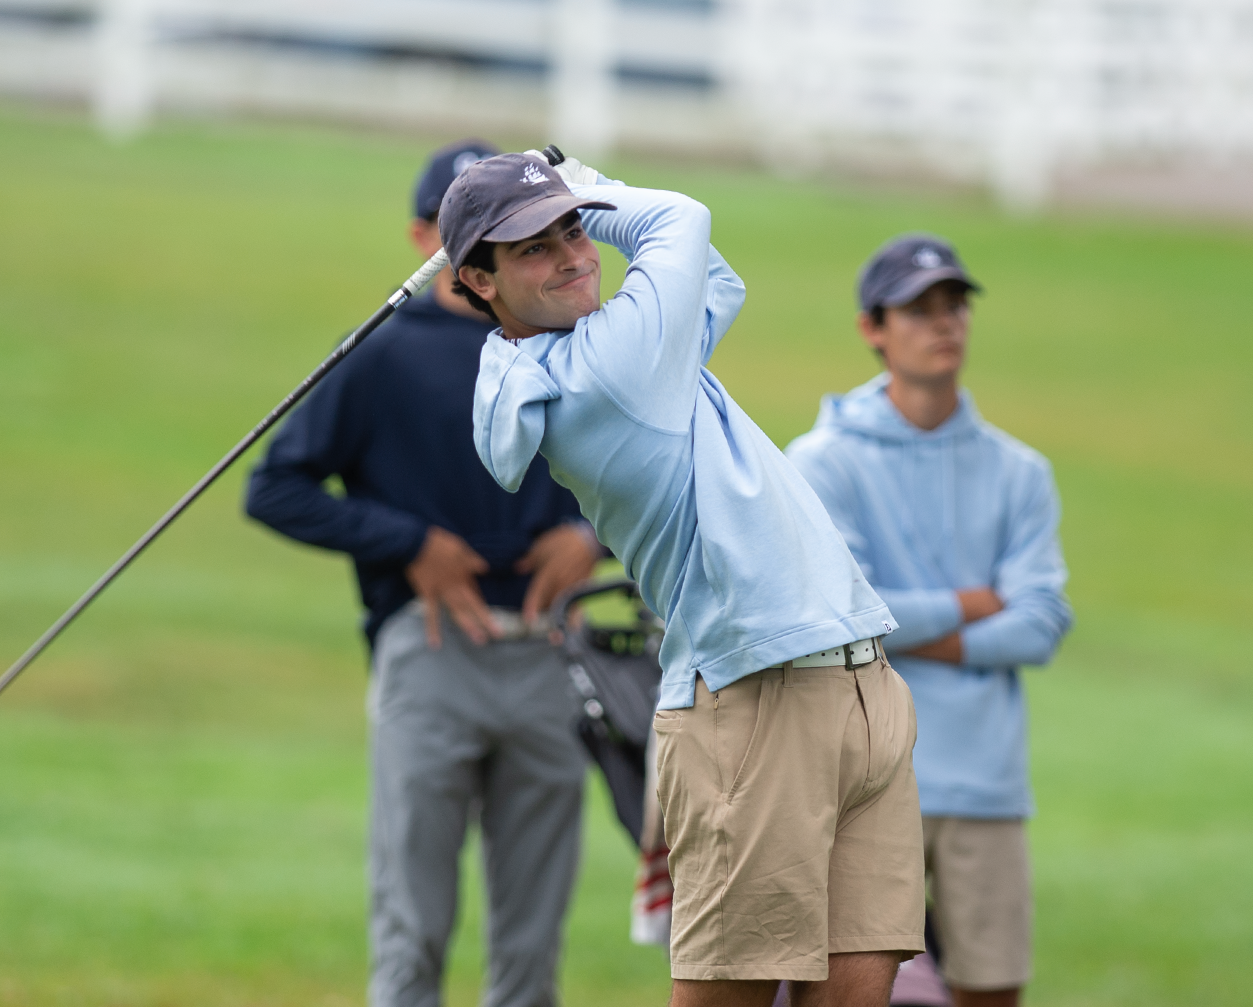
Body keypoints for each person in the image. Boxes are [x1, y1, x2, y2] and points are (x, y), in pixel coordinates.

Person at [449, 150, 925, 1007]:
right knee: (729, 992)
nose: (572, 252)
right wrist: (592, 188)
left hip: (857, 682)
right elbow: (679, 221)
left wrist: (561, 202)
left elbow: (716, 279)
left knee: (860, 987)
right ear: (478, 281)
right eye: (532, 248)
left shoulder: (626, 353)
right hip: (755, 699)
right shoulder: (603, 370)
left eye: (571, 230)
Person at [244, 139, 602, 1007]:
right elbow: (277, 486)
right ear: (426, 238)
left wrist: (591, 535)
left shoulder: (571, 341)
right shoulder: (380, 352)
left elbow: (653, 467)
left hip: (554, 656)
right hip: (430, 649)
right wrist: (410, 542)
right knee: (413, 926)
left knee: (532, 947)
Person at [786, 234, 1074, 1007]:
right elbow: (835, 617)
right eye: (919, 309)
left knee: (991, 987)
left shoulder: (1020, 470)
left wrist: (908, 629)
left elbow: (1040, 623)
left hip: (984, 779)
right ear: (873, 328)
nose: (943, 323)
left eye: (954, 306)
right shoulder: (820, 463)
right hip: (866, 775)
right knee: (852, 991)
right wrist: (973, 604)